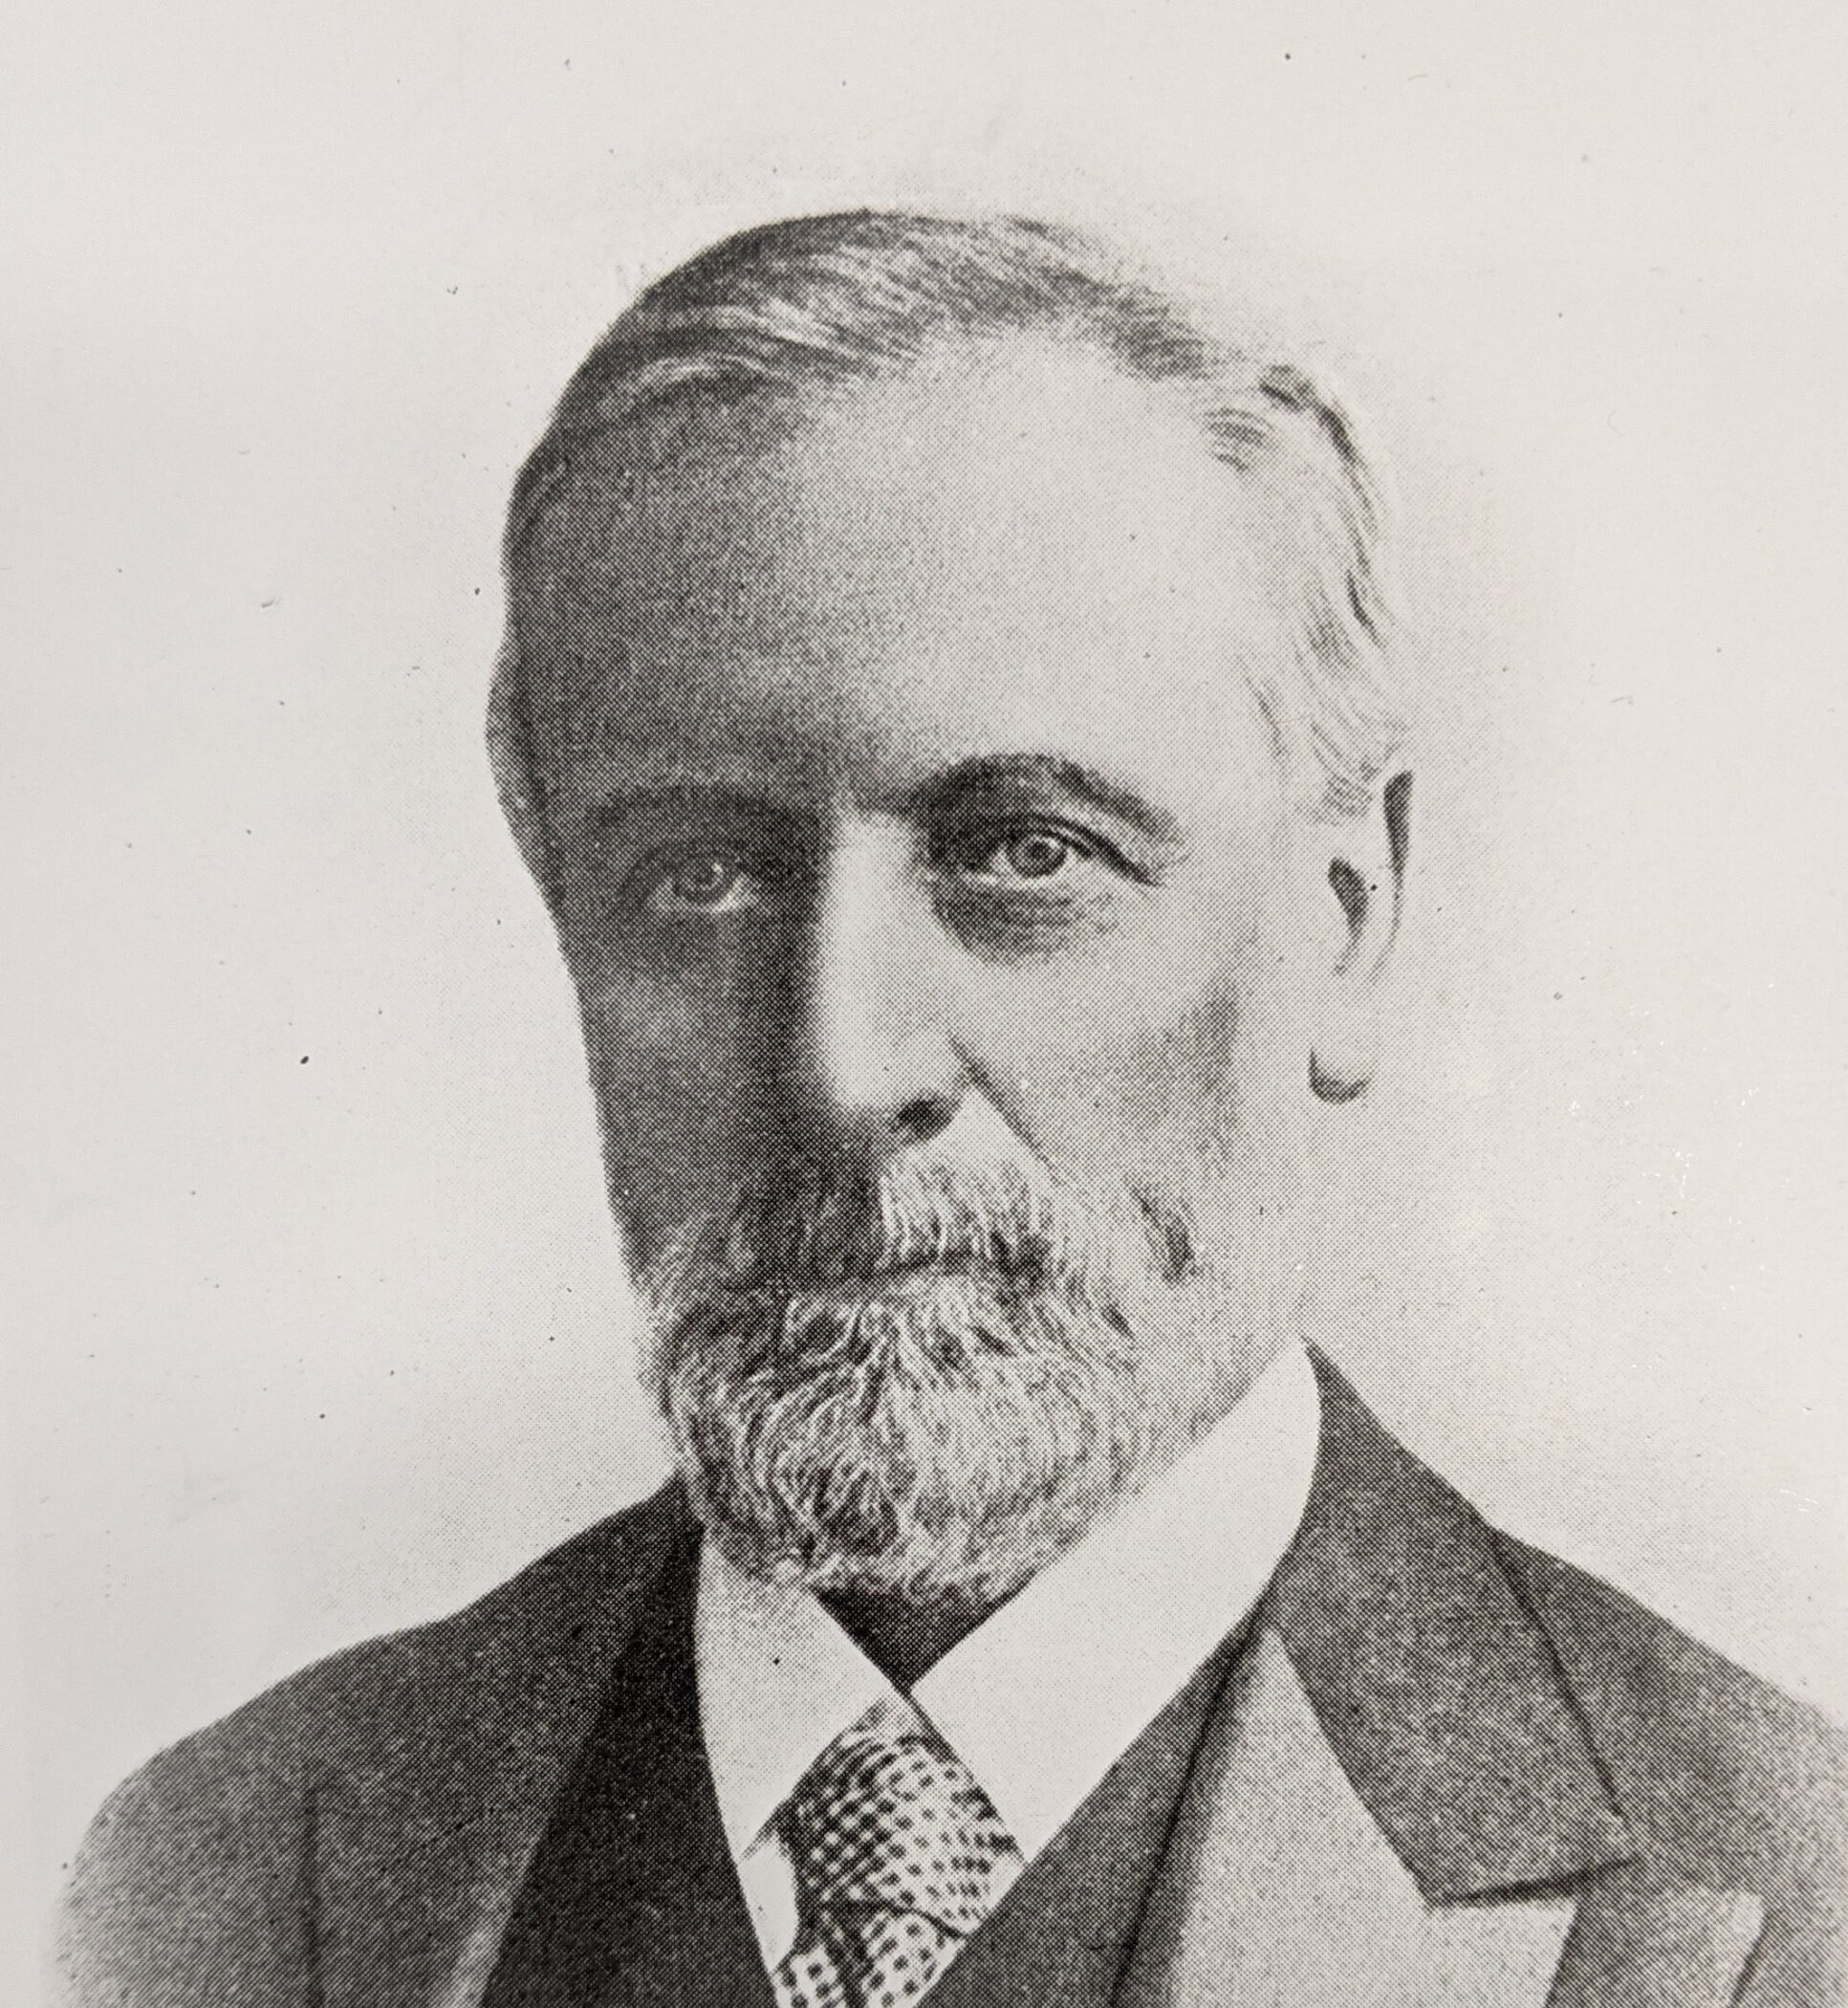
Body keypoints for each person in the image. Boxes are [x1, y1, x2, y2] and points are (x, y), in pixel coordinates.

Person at [60, 210, 1846, 2008]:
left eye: (1024, 855)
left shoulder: (1776, 1903)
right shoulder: (224, 1878)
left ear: (1343, 917)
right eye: (698, 878)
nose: (847, 1067)